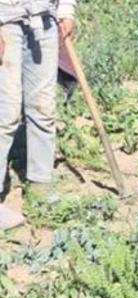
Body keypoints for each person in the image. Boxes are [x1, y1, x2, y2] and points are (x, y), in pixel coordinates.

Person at [0, 0, 76, 230]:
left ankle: (40, 186)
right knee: (6, 114)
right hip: (5, 22)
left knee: (43, 109)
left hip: (44, 21)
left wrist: (66, 10)